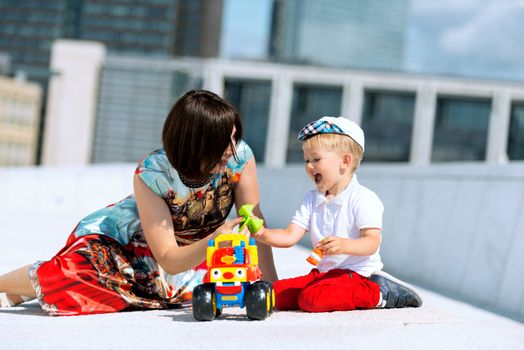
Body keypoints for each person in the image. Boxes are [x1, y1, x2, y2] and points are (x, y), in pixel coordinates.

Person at [0, 89, 278, 316]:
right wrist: (215, 239)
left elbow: (255, 222)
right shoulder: (152, 173)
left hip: (191, 254)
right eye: (222, 142)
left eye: (234, 137)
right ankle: (7, 285)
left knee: (186, 291)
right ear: (195, 143)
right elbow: (168, 258)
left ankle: (24, 290)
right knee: (71, 275)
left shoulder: (240, 157)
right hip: (127, 243)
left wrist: (273, 285)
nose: (232, 150)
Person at [252, 116, 422, 312]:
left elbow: (372, 242)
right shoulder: (312, 198)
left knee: (312, 300)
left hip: (357, 275)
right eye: (307, 160)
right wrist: (262, 234)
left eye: (316, 159)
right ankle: (314, 291)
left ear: (345, 161)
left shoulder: (363, 198)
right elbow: (290, 235)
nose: (308, 166)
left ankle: (378, 292)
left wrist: (343, 245)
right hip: (323, 274)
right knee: (274, 294)